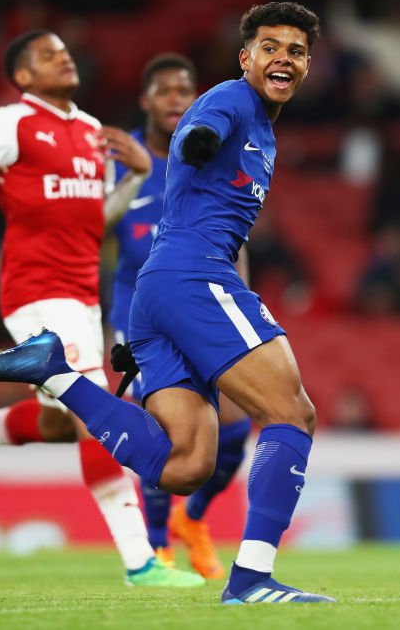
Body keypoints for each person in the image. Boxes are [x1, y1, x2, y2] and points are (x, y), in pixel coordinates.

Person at [0, 2, 334, 604]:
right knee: (294, 413)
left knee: (184, 464)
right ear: (247, 58)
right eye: (270, 47)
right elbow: (194, 132)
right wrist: (198, 140)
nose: (283, 59)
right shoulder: (232, 100)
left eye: (295, 51)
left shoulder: (262, 125)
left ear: (308, 65)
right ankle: (252, 580)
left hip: (158, 289)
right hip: (194, 275)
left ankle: (53, 371)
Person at [0, 29, 202, 588]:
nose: (64, 57)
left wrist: (141, 176)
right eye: (48, 55)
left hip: (81, 294)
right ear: (24, 76)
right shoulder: (9, 122)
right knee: (92, 415)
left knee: (60, 421)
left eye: (65, 51)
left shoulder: (95, 133)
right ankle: (141, 561)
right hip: (33, 292)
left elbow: (96, 221)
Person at [104, 52, 252, 579]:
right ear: (145, 100)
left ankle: (193, 519)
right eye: (164, 90)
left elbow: (234, 235)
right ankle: (159, 548)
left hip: (203, 303)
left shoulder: (211, 152)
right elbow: (93, 239)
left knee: (236, 426)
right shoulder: (119, 155)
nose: (175, 99)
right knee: (167, 430)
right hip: (139, 311)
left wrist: (244, 302)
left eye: (184, 90)